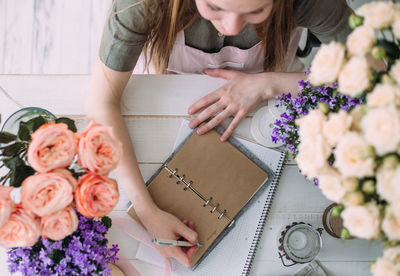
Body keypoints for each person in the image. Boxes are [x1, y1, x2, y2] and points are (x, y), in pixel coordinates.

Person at [86, 0, 352, 267]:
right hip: (171, 97)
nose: (231, 25)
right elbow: (100, 104)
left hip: (268, 101)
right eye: (215, 7)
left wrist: (269, 83)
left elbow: (376, 70)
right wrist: (147, 212)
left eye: (255, 11)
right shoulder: (140, 4)